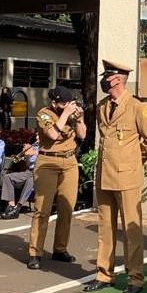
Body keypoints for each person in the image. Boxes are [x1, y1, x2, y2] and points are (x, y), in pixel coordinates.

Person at [83, 61, 147, 293]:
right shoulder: (102, 106)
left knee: (130, 230)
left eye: (108, 76)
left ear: (118, 79)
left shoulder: (137, 107)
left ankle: (135, 277)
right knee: (105, 228)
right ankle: (104, 274)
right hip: (105, 174)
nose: (104, 80)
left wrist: (134, 161)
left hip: (126, 176)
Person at [26, 86, 87, 269]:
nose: (67, 106)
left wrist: (80, 118)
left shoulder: (70, 112)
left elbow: (82, 135)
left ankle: (60, 248)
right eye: (63, 104)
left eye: (69, 103)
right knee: (42, 210)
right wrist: (65, 114)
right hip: (47, 162)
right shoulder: (44, 114)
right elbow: (52, 135)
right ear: (54, 103)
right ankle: (35, 252)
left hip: (69, 161)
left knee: (67, 207)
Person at [0, 138, 39, 220]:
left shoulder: (47, 147)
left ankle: (18, 207)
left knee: (30, 181)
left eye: (39, 135)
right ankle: (11, 205)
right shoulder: (34, 147)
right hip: (29, 171)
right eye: (37, 135)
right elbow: (28, 164)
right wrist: (25, 155)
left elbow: (45, 161)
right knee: (7, 177)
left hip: (40, 172)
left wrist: (34, 153)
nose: (37, 137)